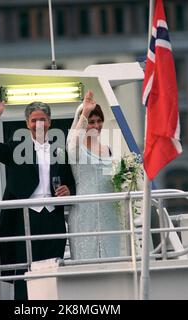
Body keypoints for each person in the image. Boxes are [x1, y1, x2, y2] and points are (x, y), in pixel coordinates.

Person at [0, 92, 76, 300]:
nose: (38, 123)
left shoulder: (61, 150)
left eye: (42, 119)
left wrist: (69, 190)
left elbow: (71, 180)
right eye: (34, 120)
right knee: (25, 274)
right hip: (25, 218)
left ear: (50, 122)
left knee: (54, 271)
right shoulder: (16, 147)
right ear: (27, 123)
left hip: (53, 219)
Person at [67, 90, 124, 260]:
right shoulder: (76, 149)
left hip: (109, 213)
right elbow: (75, 141)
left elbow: (111, 178)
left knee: (112, 259)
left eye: (99, 121)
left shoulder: (109, 149)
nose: (96, 125)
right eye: (91, 122)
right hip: (85, 213)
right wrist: (85, 112)